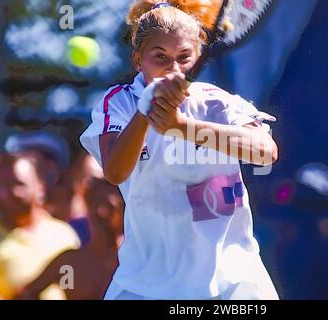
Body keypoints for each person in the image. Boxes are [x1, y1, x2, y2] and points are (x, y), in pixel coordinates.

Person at [80, 0, 279, 300]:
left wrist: (181, 127)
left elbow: (266, 152)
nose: (174, 68)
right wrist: (147, 110)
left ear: (197, 56)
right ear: (138, 60)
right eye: (160, 57)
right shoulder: (119, 103)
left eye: (184, 57)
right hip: (143, 286)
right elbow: (115, 171)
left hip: (235, 284)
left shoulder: (216, 102)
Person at [16, 177, 124, 300]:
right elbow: (27, 293)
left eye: (110, 207)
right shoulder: (69, 265)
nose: (100, 212)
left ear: (124, 210)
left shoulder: (137, 260)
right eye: (95, 205)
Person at [0, 153, 80, 299]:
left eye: (19, 184)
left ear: (40, 186)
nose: (14, 192)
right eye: (4, 185)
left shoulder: (64, 235)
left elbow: (72, 285)